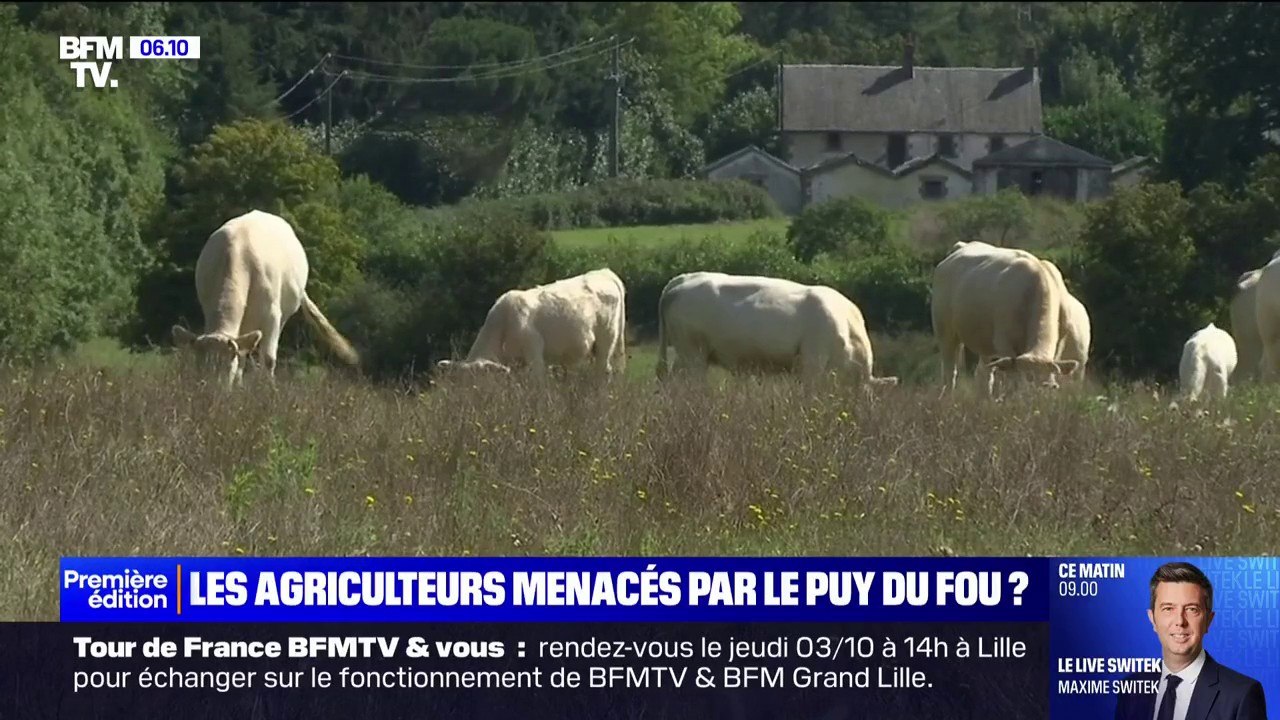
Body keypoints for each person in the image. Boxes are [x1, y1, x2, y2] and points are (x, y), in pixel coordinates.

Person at [1114, 561, 1267, 720]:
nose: (1180, 621)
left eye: (1192, 609)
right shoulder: (1131, 690)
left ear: (1209, 620)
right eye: (1168, 609)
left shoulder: (1241, 695)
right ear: (1152, 619)